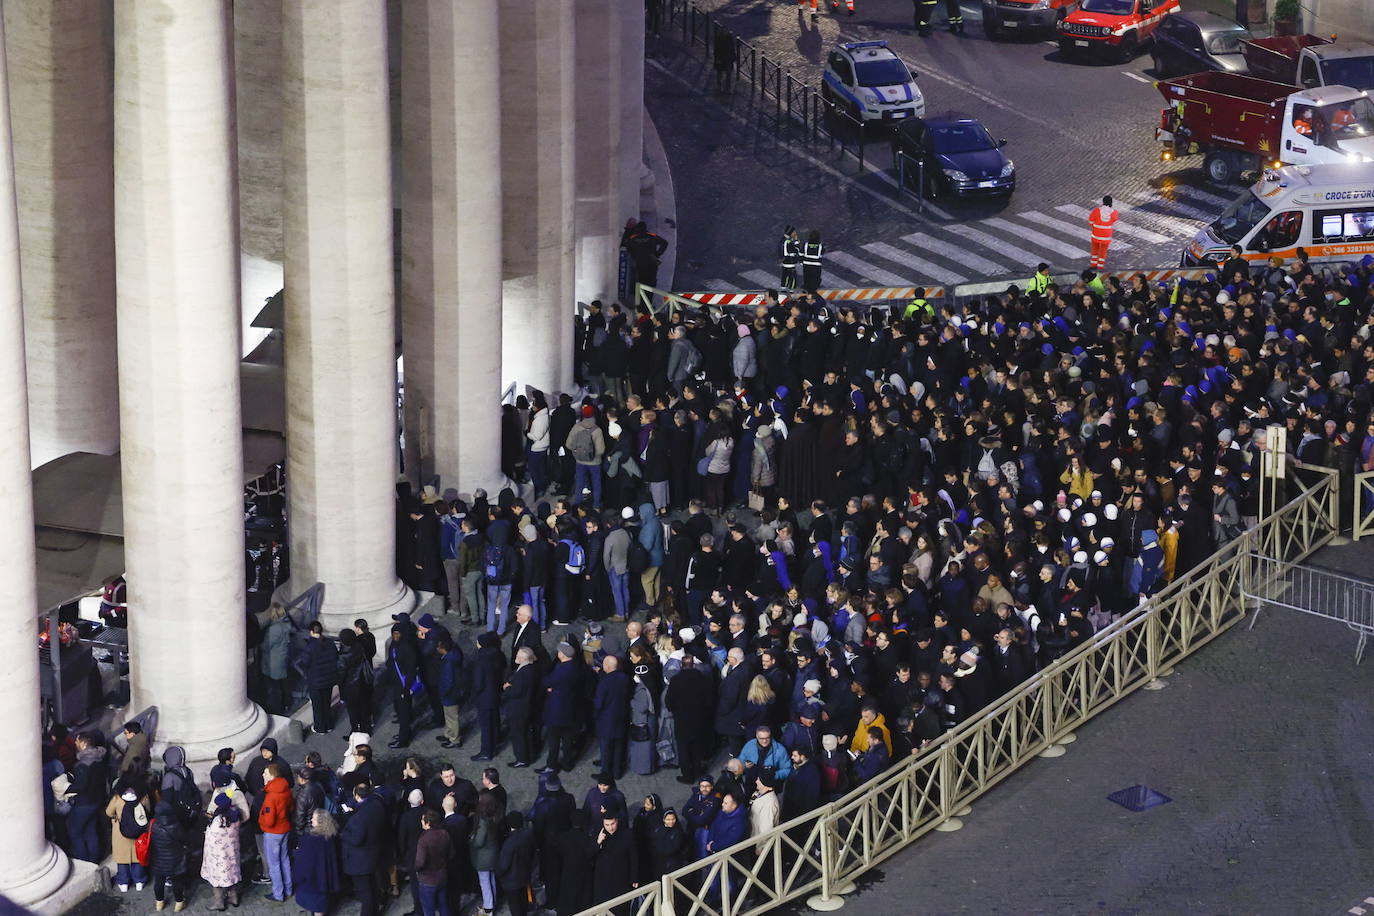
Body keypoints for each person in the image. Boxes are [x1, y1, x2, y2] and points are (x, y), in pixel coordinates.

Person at [340, 783, 386, 916]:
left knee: (365, 894)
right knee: (372, 887)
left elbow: (356, 839)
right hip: (373, 853)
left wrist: (343, 833)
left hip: (360, 861)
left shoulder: (359, 818)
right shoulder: (377, 805)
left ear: (357, 796)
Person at [201, 788, 248, 910]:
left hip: (218, 857)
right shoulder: (235, 818)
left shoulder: (218, 822)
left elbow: (211, 837)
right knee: (231, 875)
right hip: (232, 854)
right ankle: (234, 897)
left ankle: (219, 902)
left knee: (217, 879)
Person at [66, 731, 110, 862]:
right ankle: (94, 859)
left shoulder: (83, 765)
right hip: (98, 800)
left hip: (84, 803)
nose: (75, 743)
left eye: (77, 741)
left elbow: (80, 786)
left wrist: (65, 788)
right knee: (91, 831)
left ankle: (83, 859)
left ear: (84, 744)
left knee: (75, 832)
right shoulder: (99, 757)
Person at [542, 643, 584, 773]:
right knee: (567, 739)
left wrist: (551, 688)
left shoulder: (561, 669)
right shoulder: (577, 667)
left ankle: (552, 765)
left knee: (553, 739)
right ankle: (567, 763)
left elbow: (547, 681)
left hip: (557, 710)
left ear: (563, 654)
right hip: (572, 708)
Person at [258, 761, 295, 902]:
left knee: (274, 864)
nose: (263, 774)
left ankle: (278, 894)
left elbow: (268, 821)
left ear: (272, 776)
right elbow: (291, 807)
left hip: (273, 833)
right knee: (285, 860)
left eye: (266, 773)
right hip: (285, 828)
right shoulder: (285, 789)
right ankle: (289, 889)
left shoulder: (271, 795)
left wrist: (261, 821)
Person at [293, 809, 342, 916]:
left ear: (320, 822)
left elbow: (304, 862)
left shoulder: (311, 840)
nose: (311, 820)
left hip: (313, 880)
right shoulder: (331, 835)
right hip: (325, 878)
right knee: (321, 905)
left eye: (314, 819)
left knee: (317, 905)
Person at [105, 777, 150, 893]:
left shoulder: (117, 798)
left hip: (121, 834)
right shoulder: (143, 797)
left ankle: (123, 882)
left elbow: (108, 812)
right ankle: (139, 881)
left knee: (122, 859)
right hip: (138, 833)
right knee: (138, 857)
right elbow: (148, 811)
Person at [148, 798, 191, 912]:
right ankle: (179, 903)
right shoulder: (176, 826)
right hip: (175, 858)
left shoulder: (152, 825)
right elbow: (184, 839)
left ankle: (159, 903)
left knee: (159, 882)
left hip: (158, 858)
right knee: (177, 882)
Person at [471, 631, 506, 762]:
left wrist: (474, 694)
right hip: (495, 693)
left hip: (484, 697)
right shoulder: (498, 655)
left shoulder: (481, 660)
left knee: (485, 726)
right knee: (494, 719)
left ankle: (486, 751)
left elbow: (478, 683)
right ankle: (497, 738)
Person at [504, 646, 541, 767]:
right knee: (526, 733)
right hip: (527, 707)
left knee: (518, 734)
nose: (516, 657)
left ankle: (522, 759)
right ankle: (530, 754)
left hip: (518, 709)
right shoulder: (532, 669)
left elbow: (516, 692)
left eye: (518, 656)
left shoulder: (524, 673)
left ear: (523, 659)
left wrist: (507, 688)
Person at [592, 811, 638, 906]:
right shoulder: (598, 835)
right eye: (607, 825)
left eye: (612, 824)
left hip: (621, 878)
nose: (610, 827)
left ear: (617, 821)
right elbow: (590, 856)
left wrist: (634, 878)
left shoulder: (627, 834)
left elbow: (633, 857)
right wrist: (598, 843)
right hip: (603, 880)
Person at [414, 808, 454, 916]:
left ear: (428, 823)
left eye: (423, 820)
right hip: (442, 876)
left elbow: (420, 862)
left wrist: (416, 869)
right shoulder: (445, 833)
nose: (421, 821)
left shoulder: (423, 840)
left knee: (429, 910)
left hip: (428, 880)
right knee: (443, 905)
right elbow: (451, 854)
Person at [496, 811, 537, 916]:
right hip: (525, 876)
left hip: (512, 882)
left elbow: (503, 865)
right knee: (523, 904)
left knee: (515, 908)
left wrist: (498, 874)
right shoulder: (528, 834)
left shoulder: (509, 843)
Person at [470, 792, 504, 916]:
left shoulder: (483, 822)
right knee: (491, 878)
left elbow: (478, 842)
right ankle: (493, 902)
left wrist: (471, 841)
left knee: (484, 881)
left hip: (483, 857)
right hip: (494, 852)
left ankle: (488, 909)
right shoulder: (496, 814)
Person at [303, 620, 339, 735]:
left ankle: (320, 727)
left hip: (315, 681)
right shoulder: (330, 643)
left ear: (311, 632)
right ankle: (329, 724)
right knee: (326, 703)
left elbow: (305, 662)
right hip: (328, 679)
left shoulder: (310, 647)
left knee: (317, 706)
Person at [338, 628, 376, 735]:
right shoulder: (361, 646)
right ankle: (366, 730)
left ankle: (355, 731)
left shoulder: (343, 656)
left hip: (351, 687)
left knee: (353, 711)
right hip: (364, 681)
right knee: (365, 707)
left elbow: (341, 675)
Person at [436, 634, 465, 749]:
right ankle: (449, 733)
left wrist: (443, 693)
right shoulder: (454, 655)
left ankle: (455, 739)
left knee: (452, 717)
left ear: (443, 649)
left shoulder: (448, 662)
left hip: (450, 694)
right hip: (453, 692)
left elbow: (448, 681)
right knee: (449, 716)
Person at [1088, 195, 1118, 271]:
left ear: (1103, 202)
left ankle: (1093, 265)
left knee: (1095, 250)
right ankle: (1100, 266)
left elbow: (1090, 220)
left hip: (1096, 234)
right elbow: (1114, 220)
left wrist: (1094, 226)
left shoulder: (1096, 210)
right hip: (1106, 236)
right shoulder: (1114, 212)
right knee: (1103, 252)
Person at [749, 771, 780, 836]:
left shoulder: (770, 804)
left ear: (764, 783)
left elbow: (766, 832)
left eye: (758, 780)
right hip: (752, 834)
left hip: (757, 842)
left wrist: (760, 846)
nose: (756, 781)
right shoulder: (758, 793)